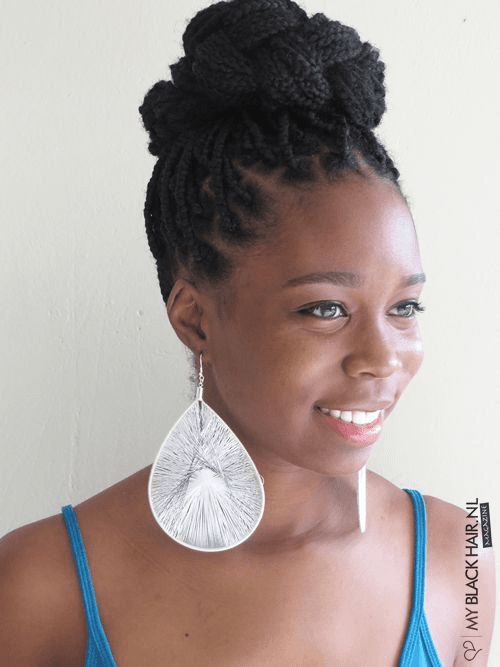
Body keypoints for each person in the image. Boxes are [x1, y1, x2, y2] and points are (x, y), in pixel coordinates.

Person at [0, 0, 495, 665]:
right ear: (194, 318)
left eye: (405, 307)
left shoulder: (467, 553)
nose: (382, 358)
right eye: (326, 309)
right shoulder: (37, 584)